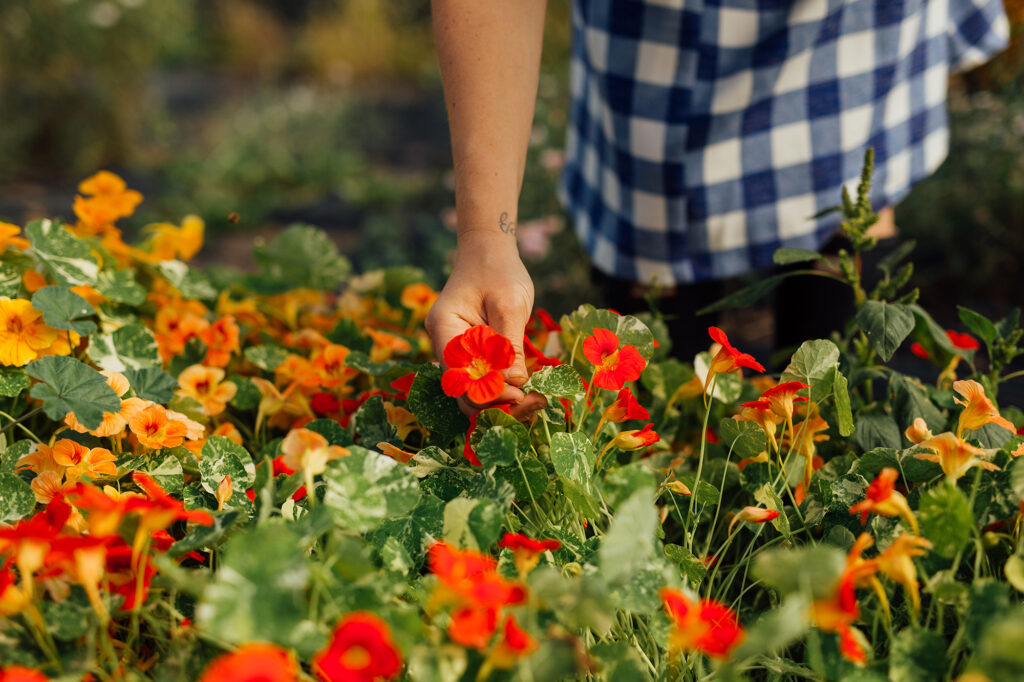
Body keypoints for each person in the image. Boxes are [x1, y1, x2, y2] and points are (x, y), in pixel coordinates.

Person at [426, 0, 1009, 416]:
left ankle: (826, 486)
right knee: (651, 226)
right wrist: (485, 239)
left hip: (849, 18)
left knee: (849, 190)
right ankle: (672, 477)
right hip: (661, 28)